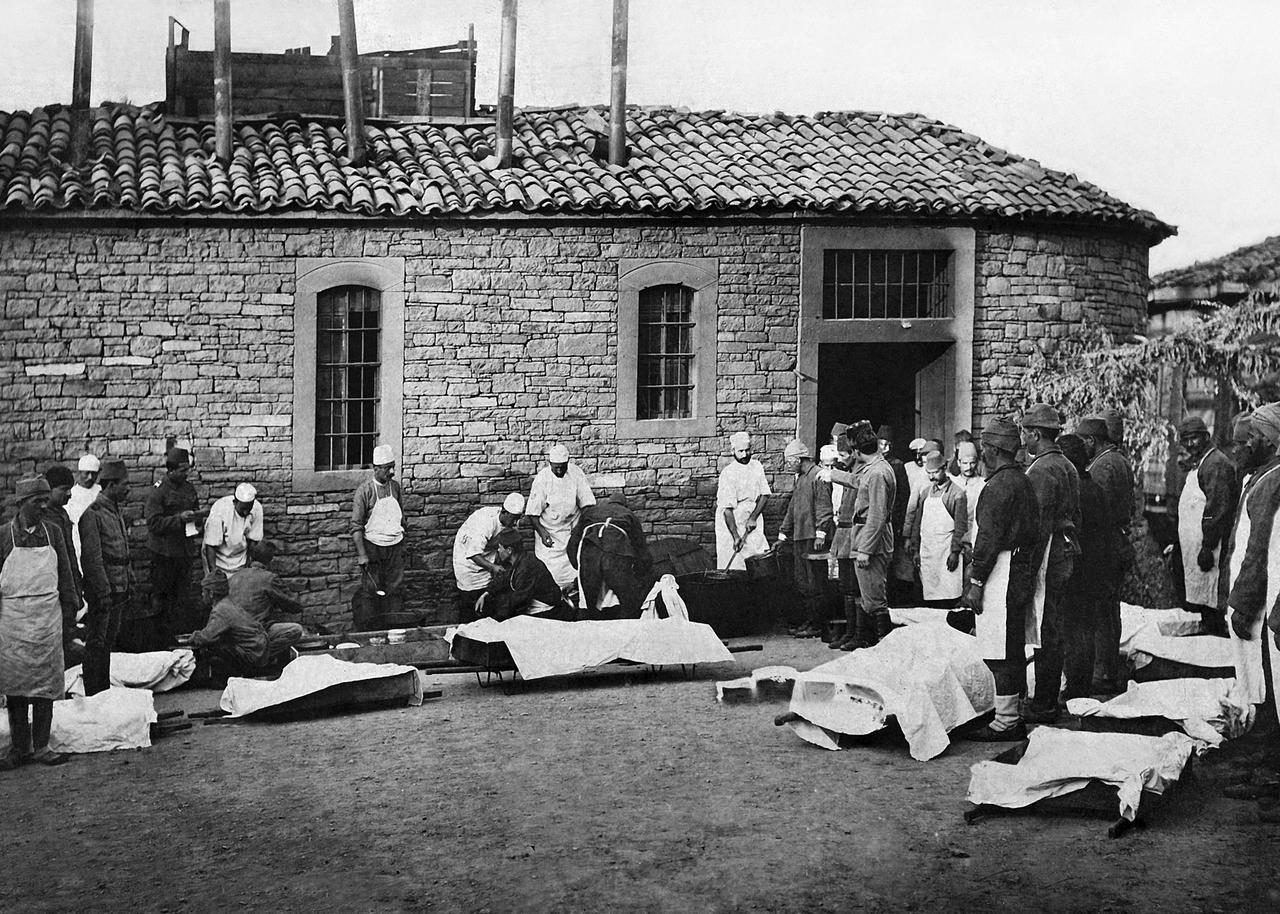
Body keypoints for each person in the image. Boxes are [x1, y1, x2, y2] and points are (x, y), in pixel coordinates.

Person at [961, 418, 1041, 741]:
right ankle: (1013, 711)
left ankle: (1007, 719)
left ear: (993, 450)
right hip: (1019, 567)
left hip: (1002, 570)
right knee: (1012, 644)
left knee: (1000, 646)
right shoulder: (1022, 481)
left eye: (984, 450)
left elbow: (988, 539)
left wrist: (976, 581)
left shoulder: (998, 487)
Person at [0, 477, 80, 770]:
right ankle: (21, 748)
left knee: (45, 684)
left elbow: (66, 571)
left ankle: (42, 745)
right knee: (17, 686)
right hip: (13, 622)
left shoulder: (54, 533)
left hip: (47, 618)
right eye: (38, 501)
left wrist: (71, 610)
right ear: (22, 504)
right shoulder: (4, 536)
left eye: (46, 500)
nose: (45, 506)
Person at [1020, 403, 1080, 723]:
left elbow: (1039, 524)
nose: (1022, 440)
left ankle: (1043, 703)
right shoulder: (1067, 464)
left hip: (1049, 556)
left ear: (1036, 434)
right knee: (1054, 628)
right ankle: (1048, 698)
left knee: (1047, 631)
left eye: (1025, 433)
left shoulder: (1042, 470)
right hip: (1067, 550)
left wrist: (1028, 570)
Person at [1223, 403, 1280, 715]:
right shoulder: (1262, 477)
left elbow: (1257, 550)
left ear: (1269, 441)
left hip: (1262, 597)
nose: (1243, 445)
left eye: (1251, 438)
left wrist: (1243, 605)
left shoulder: (1272, 482)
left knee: (1263, 668)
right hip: (1257, 591)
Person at [823, 422, 895, 647]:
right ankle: (873, 644)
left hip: (871, 540)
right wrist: (832, 475)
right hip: (865, 536)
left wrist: (865, 550)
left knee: (874, 600)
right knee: (867, 597)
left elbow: (877, 515)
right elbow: (857, 481)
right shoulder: (874, 468)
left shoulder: (877, 474)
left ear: (857, 451)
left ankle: (884, 647)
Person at [1077, 413, 1134, 692]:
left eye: (1083, 442)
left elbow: (1097, 512)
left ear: (1091, 440)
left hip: (1105, 547)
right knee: (1110, 612)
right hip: (1119, 543)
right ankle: (1108, 670)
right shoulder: (1120, 460)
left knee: (1099, 612)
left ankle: (1102, 673)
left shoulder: (1101, 466)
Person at [1058, 434, 1114, 701]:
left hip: (1076, 570)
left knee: (1072, 630)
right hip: (1096, 570)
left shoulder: (1074, 491)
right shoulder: (1097, 490)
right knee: (1087, 629)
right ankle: (1083, 685)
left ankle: (1075, 688)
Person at [1174, 417, 1237, 636]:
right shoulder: (1202, 462)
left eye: (1194, 438)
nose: (1190, 444)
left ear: (1206, 437)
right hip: (1199, 545)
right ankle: (1208, 627)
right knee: (1202, 596)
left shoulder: (1216, 464)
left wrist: (1208, 546)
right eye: (1186, 440)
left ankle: (1215, 636)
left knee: (1211, 595)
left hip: (1212, 546)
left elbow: (1217, 509)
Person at [77, 458, 132, 696]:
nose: (128, 489)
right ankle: (94, 695)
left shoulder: (114, 510)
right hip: (104, 592)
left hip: (118, 588)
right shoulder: (93, 514)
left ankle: (104, 693)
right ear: (111, 486)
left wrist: (129, 579)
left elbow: (122, 549)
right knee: (96, 644)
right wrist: (103, 591)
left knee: (108, 644)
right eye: (124, 484)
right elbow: (92, 559)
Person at [143, 447, 205, 649]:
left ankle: (179, 641)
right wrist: (178, 519)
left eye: (188, 470)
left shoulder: (189, 489)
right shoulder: (159, 490)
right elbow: (153, 524)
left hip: (184, 553)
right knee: (161, 600)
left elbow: (194, 513)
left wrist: (197, 522)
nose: (186, 474)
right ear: (171, 470)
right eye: (183, 470)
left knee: (182, 599)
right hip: (164, 555)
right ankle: (159, 643)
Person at [188, 570, 299, 679]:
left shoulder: (221, 610)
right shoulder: (228, 603)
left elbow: (206, 637)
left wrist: (192, 637)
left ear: (211, 594)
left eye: (203, 591)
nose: (202, 595)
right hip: (258, 646)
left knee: (215, 647)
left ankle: (240, 672)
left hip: (252, 654)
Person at [777, 440, 834, 638]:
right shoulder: (800, 478)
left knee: (815, 582)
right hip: (800, 537)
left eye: (789, 461)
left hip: (813, 538)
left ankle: (817, 625)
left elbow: (824, 506)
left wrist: (821, 533)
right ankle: (808, 621)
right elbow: (793, 508)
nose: (788, 465)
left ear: (798, 459)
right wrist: (783, 534)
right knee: (803, 582)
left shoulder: (818, 476)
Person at [567, 494, 653, 618]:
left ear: (608, 502)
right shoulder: (629, 515)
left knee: (587, 600)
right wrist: (639, 572)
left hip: (589, 554)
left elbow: (572, 543)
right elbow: (641, 549)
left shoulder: (590, 512)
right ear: (624, 505)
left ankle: (586, 629)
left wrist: (579, 567)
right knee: (629, 601)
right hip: (615, 554)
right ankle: (620, 628)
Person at [526, 444, 596, 590]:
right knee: (551, 576)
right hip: (549, 534)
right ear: (550, 464)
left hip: (572, 531)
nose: (559, 470)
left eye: (562, 467)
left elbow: (588, 505)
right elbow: (532, 514)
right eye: (556, 467)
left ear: (568, 462)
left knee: (575, 569)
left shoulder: (576, 474)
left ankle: (573, 597)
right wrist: (543, 533)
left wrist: (579, 528)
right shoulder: (542, 480)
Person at [905, 450, 968, 608]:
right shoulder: (926, 493)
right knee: (926, 597)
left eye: (936, 472)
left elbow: (960, 528)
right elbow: (917, 525)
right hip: (927, 553)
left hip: (946, 553)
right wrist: (915, 550)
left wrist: (955, 552)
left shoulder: (957, 494)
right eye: (929, 473)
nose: (932, 477)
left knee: (948, 597)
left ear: (945, 467)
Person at [351, 446, 405, 629]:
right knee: (371, 590)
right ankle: (371, 630)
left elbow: (401, 517)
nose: (392, 472)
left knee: (394, 589)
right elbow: (356, 527)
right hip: (373, 547)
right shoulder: (364, 491)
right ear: (376, 468)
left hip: (394, 547)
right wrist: (362, 554)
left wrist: (402, 534)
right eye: (387, 468)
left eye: (393, 467)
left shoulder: (395, 487)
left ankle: (394, 629)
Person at [453, 493, 526, 619]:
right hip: (468, 564)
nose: (516, 523)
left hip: (488, 559)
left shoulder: (510, 522)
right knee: (471, 606)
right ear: (504, 512)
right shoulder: (486, 523)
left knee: (489, 599)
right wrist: (493, 567)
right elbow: (473, 554)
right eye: (514, 519)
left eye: (518, 518)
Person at [474, 528, 572, 621]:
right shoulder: (515, 561)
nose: (498, 551)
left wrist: (495, 620)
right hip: (530, 605)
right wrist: (486, 593)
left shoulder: (527, 566)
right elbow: (503, 579)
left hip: (546, 611)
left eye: (499, 548)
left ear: (509, 550)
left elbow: (518, 601)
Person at [224, 541, 305, 649]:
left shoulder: (234, 577)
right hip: (253, 633)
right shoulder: (269, 578)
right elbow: (295, 606)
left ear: (250, 558)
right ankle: (262, 656)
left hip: (231, 633)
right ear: (270, 561)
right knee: (296, 630)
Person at [826, 429, 863, 650]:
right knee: (846, 587)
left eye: (843, 455)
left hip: (855, 536)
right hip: (843, 535)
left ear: (853, 453)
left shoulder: (859, 473)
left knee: (857, 587)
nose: (840, 461)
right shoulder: (848, 471)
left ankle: (859, 634)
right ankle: (850, 632)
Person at [714, 431, 771, 571]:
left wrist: (753, 518)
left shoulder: (757, 466)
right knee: (734, 559)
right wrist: (735, 536)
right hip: (731, 520)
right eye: (740, 451)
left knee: (758, 555)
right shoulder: (728, 473)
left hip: (753, 517)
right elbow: (727, 509)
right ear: (733, 451)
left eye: (747, 450)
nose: (745, 455)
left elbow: (765, 494)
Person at [879, 425, 913, 606]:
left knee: (891, 564)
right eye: (880, 444)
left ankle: (892, 604)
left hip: (892, 522)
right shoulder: (874, 464)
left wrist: (898, 522)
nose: (884, 448)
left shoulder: (897, 465)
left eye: (887, 444)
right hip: (877, 520)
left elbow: (903, 496)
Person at [203, 483, 263, 580]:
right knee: (217, 589)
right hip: (217, 558)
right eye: (242, 509)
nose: (245, 512)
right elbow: (211, 545)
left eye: (249, 508)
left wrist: (248, 568)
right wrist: (214, 574)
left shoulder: (257, 508)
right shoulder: (220, 510)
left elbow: (253, 541)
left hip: (240, 557)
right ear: (234, 502)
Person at [950, 440, 985, 567]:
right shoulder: (952, 483)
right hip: (953, 541)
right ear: (959, 463)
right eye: (965, 463)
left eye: (972, 463)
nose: (969, 467)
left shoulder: (983, 484)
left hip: (974, 538)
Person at [65, 453, 101, 573]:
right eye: (86, 473)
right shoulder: (72, 494)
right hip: (78, 539)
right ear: (79, 473)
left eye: (94, 474)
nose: (90, 477)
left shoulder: (100, 492)